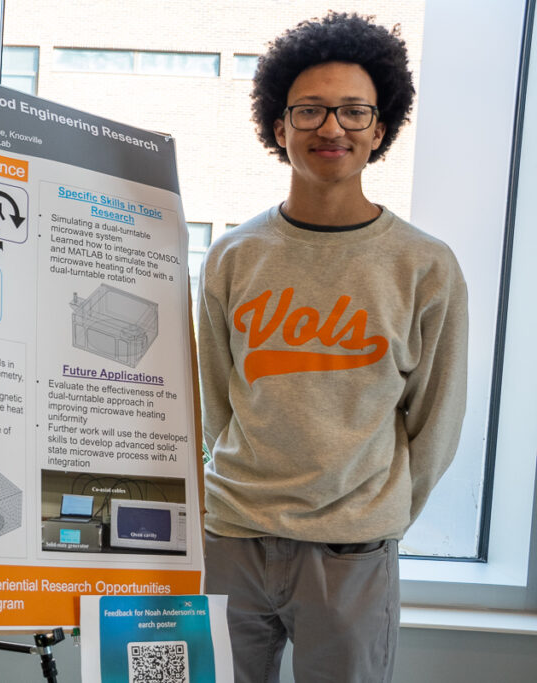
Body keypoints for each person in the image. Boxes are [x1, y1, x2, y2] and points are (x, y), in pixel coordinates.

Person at [196, 12, 468, 683]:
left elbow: (436, 420)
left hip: (353, 551)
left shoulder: (424, 266)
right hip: (230, 538)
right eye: (310, 109)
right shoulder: (233, 256)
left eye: (353, 111)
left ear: (380, 128)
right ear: (278, 125)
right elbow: (212, 398)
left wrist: (377, 516)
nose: (331, 127)